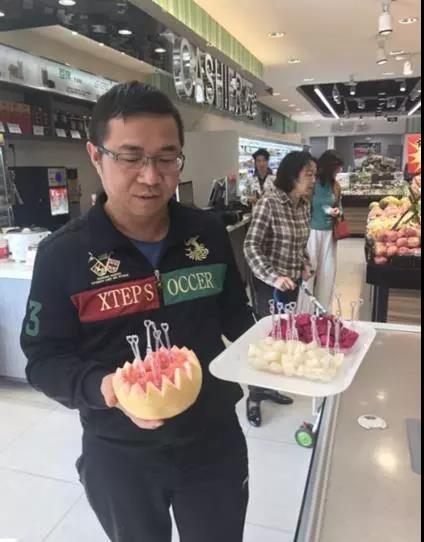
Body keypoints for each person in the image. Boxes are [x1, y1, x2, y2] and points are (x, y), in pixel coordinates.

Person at [20, 82, 255, 542]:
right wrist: (106, 387)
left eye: (167, 158)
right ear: (96, 156)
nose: (151, 176)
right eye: (130, 157)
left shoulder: (207, 233)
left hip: (213, 440)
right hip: (119, 452)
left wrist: (278, 350)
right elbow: (43, 360)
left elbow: (236, 316)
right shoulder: (62, 256)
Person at [244, 151, 317, 427]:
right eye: (308, 174)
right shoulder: (269, 203)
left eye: (314, 174)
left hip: (291, 283)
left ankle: (270, 387)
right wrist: (273, 276)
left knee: (284, 336)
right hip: (268, 285)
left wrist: (304, 263)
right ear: (292, 176)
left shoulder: (303, 205)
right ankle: (254, 396)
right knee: (267, 341)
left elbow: (299, 243)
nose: (313, 180)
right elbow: (250, 246)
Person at [298, 150, 344, 313]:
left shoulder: (335, 186)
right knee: (309, 271)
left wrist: (338, 212)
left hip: (330, 234)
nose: (339, 171)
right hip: (311, 232)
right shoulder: (312, 185)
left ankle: (323, 310)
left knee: (328, 271)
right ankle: (304, 310)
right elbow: (303, 204)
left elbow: (340, 205)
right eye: (337, 167)